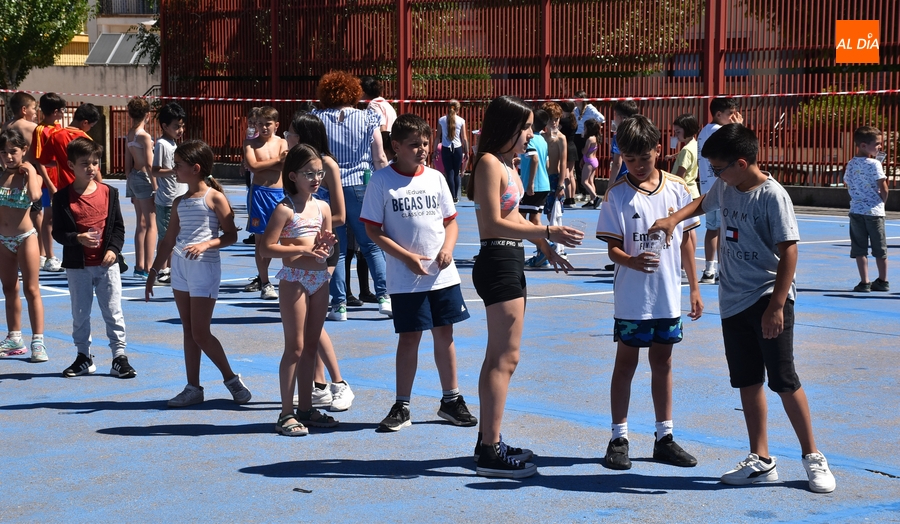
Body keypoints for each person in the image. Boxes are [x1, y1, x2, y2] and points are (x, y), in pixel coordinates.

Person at [651, 123, 836, 494]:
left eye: (719, 169)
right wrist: (674, 219)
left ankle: (813, 456)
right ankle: (761, 459)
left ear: (741, 162)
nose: (715, 176)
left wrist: (777, 306)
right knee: (748, 380)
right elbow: (703, 201)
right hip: (733, 300)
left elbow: (790, 253)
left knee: (784, 379)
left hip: (768, 297)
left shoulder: (772, 196)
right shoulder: (727, 185)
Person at [467, 96, 582, 478]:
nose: (531, 135)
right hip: (497, 260)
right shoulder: (487, 163)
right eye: (527, 127)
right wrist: (546, 230)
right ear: (509, 127)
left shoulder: (503, 164)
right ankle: (489, 451)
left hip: (510, 258)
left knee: (498, 357)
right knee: (506, 358)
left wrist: (544, 245)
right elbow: (495, 224)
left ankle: (489, 438)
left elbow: (513, 213)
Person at [595, 115, 702, 470]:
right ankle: (618, 437)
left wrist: (695, 288)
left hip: (667, 296)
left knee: (664, 363)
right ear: (621, 157)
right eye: (630, 159)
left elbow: (687, 242)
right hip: (631, 299)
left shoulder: (677, 190)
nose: (638, 165)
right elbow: (612, 250)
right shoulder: (617, 195)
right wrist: (631, 260)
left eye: (645, 157)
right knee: (625, 364)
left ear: (659, 150)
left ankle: (664, 437)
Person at [361, 114, 476, 432]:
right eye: (414, 144)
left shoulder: (437, 178)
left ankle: (451, 400)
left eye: (425, 143)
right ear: (395, 146)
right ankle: (402, 405)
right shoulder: (382, 181)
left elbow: (450, 221)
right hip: (405, 276)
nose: (422, 149)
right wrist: (406, 258)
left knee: (445, 334)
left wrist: (448, 248)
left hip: (442, 275)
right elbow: (373, 229)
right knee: (409, 338)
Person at [145, 140, 252, 407]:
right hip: (181, 268)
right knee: (188, 330)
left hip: (204, 267)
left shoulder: (214, 197)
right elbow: (168, 241)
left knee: (201, 332)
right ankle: (193, 387)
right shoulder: (180, 201)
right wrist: (154, 270)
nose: (174, 169)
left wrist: (206, 243)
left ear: (195, 168)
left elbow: (230, 235)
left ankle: (231, 380)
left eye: (178, 165)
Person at [260, 143, 339, 435]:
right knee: (294, 347)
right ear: (292, 176)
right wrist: (304, 249)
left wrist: (325, 249)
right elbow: (267, 247)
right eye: (309, 173)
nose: (316, 178)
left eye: (319, 173)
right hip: (294, 279)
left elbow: (329, 247)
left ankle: (306, 408)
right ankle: (286, 413)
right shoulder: (284, 209)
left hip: (320, 281)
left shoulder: (323, 207)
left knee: (311, 348)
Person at [283, 111, 354, 412]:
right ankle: (319, 387)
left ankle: (337, 382)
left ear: (303, 134)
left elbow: (339, 215)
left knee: (315, 324)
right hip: (302, 252)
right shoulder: (295, 166)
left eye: (290, 131)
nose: (286, 135)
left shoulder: (327, 166)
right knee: (305, 332)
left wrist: (315, 232)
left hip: (324, 247)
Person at [51, 138, 135, 378]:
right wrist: (77, 238)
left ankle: (119, 357)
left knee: (113, 310)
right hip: (78, 266)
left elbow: (118, 228)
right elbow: (58, 233)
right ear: (70, 165)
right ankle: (83, 356)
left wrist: (113, 250)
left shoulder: (110, 193)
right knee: (80, 312)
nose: (91, 167)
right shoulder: (62, 198)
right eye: (84, 163)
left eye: (95, 163)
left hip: (107, 265)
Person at [312, 71, 390, 320]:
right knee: (372, 244)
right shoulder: (368, 117)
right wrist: (387, 185)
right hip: (359, 185)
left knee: (337, 248)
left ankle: (340, 304)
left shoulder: (317, 118)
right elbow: (379, 157)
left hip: (326, 187)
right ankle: (384, 297)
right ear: (354, 92)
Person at [0, 129, 46, 362]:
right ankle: (14, 338)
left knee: (31, 289)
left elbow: (36, 197)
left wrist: (30, 171)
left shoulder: (31, 175)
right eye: (4, 152)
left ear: (24, 151)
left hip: (25, 238)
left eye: (13, 152)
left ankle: (38, 341)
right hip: (2, 241)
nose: (8, 157)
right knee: (9, 289)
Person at [696, 97, 743, 284]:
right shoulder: (722, 131)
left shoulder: (704, 131)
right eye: (730, 114)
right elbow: (738, 145)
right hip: (722, 186)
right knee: (726, 230)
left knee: (712, 229)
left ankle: (709, 270)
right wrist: (739, 128)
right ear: (718, 114)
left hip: (708, 186)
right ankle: (724, 270)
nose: (734, 117)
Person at [243, 106, 288, 300]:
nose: (263, 128)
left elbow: (286, 165)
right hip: (260, 195)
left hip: (279, 194)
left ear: (276, 125)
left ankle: (288, 277)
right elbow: (252, 166)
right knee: (261, 240)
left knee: (282, 238)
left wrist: (271, 164)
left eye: (267, 124)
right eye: (260, 123)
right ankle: (265, 282)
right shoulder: (250, 143)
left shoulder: (282, 142)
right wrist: (277, 161)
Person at [844, 126, 889, 292]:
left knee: (859, 248)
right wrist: (881, 202)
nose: (879, 147)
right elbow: (883, 186)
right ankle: (883, 280)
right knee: (879, 247)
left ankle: (865, 281)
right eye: (876, 144)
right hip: (875, 212)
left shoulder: (850, 163)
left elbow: (847, 183)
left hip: (856, 210)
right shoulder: (875, 164)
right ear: (863, 145)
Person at [150, 102, 188, 285]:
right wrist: (175, 170)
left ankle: (172, 269)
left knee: (177, 236)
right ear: (165, 126)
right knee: (166, 237)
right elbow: (155, 170)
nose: (180, 130)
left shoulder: (174, 144)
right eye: (176, 126)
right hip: (166, 200)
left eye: (182, 126)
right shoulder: (162, 144)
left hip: (178, 197)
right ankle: (161, 269)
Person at [30, 93, 66, 272]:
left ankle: (47, 255)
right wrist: (49, 185)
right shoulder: (40, 130)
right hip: (47, 182)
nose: (63, 113)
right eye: (62, 110)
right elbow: (39, 160)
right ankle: (50, 257)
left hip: (61, 179)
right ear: (55, 111)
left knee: (61, 217)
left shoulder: (58, 127)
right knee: (49, 217)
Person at [124, 97, 157, 280]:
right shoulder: (144, 136)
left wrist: (130, 183)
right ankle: (149, 267)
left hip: (134, 177)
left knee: (141, 224)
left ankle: (139, 266)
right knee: (151, 223)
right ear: (147, 115)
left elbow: (128, 164)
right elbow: (150, 165)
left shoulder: (130, 134)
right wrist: (156, 186)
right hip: (144, 178)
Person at [518, 109, 553, 268]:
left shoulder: (530, 141)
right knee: (535, 220)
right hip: (544, 184)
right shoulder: (543, 141)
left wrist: (530, 182)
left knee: (517, 221)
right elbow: (546, 164)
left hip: (533, 186)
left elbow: (535, 159)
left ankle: (543, 246)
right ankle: (542, 253)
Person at [671, 113, 701, 273]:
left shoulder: (686, 151)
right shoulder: (694, 146)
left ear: (687, 130)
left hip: (684, 192)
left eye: (678, 131)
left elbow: (680, 174)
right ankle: (687, 260)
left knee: (685, 231)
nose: (675, 134)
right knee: (691, 229)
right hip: (692, 191)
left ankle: (685, 261)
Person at [436, 100, 469, 203]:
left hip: (446, 148)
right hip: (458, 148)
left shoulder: (441, 120)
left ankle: (452, 196)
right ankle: (456, 197)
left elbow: (437, 137)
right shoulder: (461, 120)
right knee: (456, 173)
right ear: (458, 109)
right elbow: (464, 138)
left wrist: (434, 151)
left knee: (449, 172)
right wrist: (467, 151)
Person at [241, 107, 261, 245]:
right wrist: (243, 163)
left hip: (257, 173)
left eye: (255, 122)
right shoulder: (249, 135)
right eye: (250, 121)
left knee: (255, 202)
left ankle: (258, 232)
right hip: (250, 172)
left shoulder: (260, 138)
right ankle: (255, 232)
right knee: (250, 201)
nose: (252, 125)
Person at [608, 100, 640, 181]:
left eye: (615, 115)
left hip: (623, 179)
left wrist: (610, 185)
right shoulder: (640, 133)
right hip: (638, 177)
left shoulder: (619, 136)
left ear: (620, 117)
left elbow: (617, 164)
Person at [557, 101, 579, 207]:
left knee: (566, 175)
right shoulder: (573, 120)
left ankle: (568, 198)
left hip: (566, 147)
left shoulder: (563, 121)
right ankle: (572, 198)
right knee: (571, 174)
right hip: (573, 146)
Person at [580, 118, 603, 208]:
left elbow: (584, 151)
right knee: (590, 181)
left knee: (584, 181)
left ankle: (595, 197)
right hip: (594, 160)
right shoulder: (596, 138)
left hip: (589, 162)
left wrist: (581, 148)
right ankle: (592, 200)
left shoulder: (590, 139)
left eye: (585, 128)